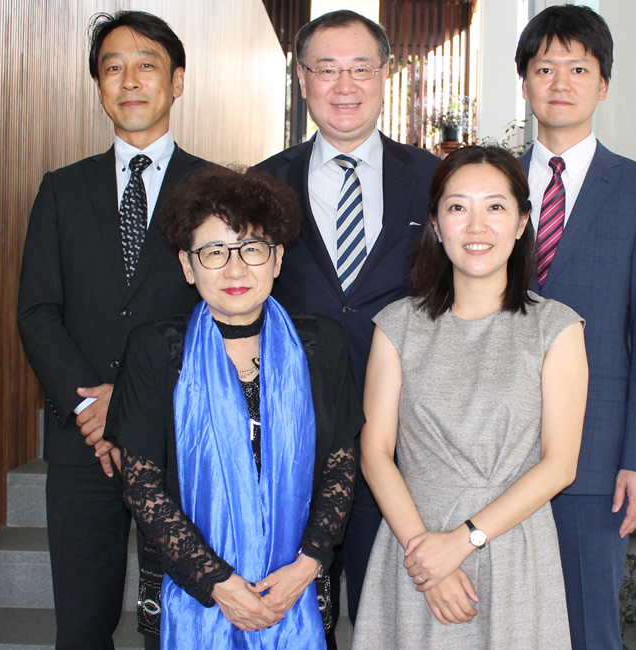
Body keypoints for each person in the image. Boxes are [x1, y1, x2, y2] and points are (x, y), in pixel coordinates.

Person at [16, 11, 211, 649]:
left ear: (177, 81)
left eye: (146, 64)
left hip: (182, 437)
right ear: (99, 86)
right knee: (79, 626)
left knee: (189, 617)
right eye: (112, 68)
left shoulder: (216, 190)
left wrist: (126, 403)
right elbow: (37, 311)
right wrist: (90, 403)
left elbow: (226, 312)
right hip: (82, 445)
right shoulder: (60, 190)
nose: (129, 80)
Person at [104, 168, 362, 650]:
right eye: (215, 252)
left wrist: (305, 566)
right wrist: (219, 583)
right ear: (187, 265)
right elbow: (142, 486)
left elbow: (339, 466)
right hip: (194, 594)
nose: (236, 269)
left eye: (253, 249)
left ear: (277, 258)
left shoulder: (320, 343)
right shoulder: (156, 350)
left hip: (296, 590)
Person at [252, 9, 441, 640]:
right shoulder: (262, 183)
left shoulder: (433, 182)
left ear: (384, 77)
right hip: (293, 434)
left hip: (403, 439)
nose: (344, 85)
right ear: (302, 80)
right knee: (293, 611)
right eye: (326, 70)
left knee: (387, 611)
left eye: (360, 69)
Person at [352, 146, 588, 648]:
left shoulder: (556, 327)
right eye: (458, 207)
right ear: (436, 225)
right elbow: (375, 452)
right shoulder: (397, 325)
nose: (477, 226)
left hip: (513, 544)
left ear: (523, 222)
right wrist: (429, 561)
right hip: (414, 544)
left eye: (496, 207)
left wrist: (462, 542)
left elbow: (560, 464)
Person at [515, 6, 636, 648]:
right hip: (491, 448)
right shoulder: (488, 184)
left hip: (595, 451)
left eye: (578, 68)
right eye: (545, 67)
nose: (561, 82)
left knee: (588, 623)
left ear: (603, 84)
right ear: (524, 81)